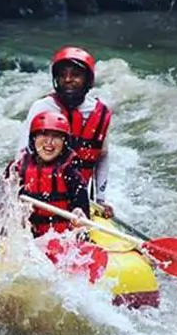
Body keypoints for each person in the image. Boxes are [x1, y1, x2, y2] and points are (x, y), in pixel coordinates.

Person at [17, 46, 115, 218]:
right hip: (37, 195)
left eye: (75, 75)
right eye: (62, 75)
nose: (68, 79)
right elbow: (22, 154)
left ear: (88, 80)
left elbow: (103, 156)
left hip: (78, 198)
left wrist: (100, 200)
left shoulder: (100, 114)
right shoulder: (42, 107)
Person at [5, 111, 91, 237]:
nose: (49, 142)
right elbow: (0, 201)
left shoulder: (71, 173)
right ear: (33, 138)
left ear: (64, 142)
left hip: (60, 238)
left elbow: (84, 214)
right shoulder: (18, 168)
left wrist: (79, 215)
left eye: (56, 136)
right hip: (26, 236)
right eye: (44, 134)